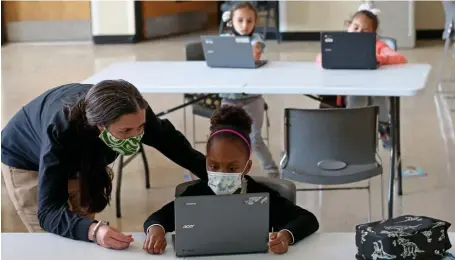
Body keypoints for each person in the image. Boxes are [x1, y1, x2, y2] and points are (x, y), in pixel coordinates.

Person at [1, 80, 207, 249]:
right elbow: (48, 212)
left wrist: (214, 174)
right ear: (99, 126)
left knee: (81, 236)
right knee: (56, 243)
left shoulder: (134, 112)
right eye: (125, 132)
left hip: (79, 157)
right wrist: (94, 230)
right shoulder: (60, 131)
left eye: (140, 129)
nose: (135, 138)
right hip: (26, 158)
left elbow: (172, 144)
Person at [142, 105, 319, 255]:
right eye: (213, 166)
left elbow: (308, 219)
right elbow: (157, 218)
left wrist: (286, 235)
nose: (222, 173)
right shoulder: (194, 195)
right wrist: (156, 229)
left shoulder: (261, 196)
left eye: (232, 168)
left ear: (247, 167)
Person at [315, 3, 407, 149]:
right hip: (348, 89)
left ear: (373, 34)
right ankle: (355, 136)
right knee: (356, 98)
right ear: (348, 26)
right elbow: (320, 58)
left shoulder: (378, 46)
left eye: (365, 31)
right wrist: (336, 58)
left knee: (379, 98)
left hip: (374, 89)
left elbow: (400, 58)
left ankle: (383, 128)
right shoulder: (341, 43)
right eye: (356, 28)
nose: (359, 33)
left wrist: (379, 58)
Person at [220, 2, 280, 178]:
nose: (245, 25)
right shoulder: (224, 40)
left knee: (255, 138)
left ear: (255, 23)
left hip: (252, 99)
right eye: (240, 20)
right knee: (226, 137)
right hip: (229, 98)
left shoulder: (257, 40)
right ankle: (228, 171)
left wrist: (252, 50)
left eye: (249, 21)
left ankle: (272, 170)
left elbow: (256, 50)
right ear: (231, 22)